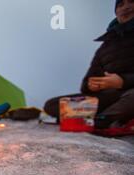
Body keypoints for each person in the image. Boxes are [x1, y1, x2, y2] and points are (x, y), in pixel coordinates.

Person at [44, 0, 134, 134]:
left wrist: (122, 81)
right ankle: (107, 118)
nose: (126, 7)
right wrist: (92, 85)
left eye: (131, 2)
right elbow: (87, 81)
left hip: (130, 94)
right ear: (116, 12)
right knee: (52, 105)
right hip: (109, 97)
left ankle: (101, 120)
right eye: (120, 5)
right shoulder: (105, 47)